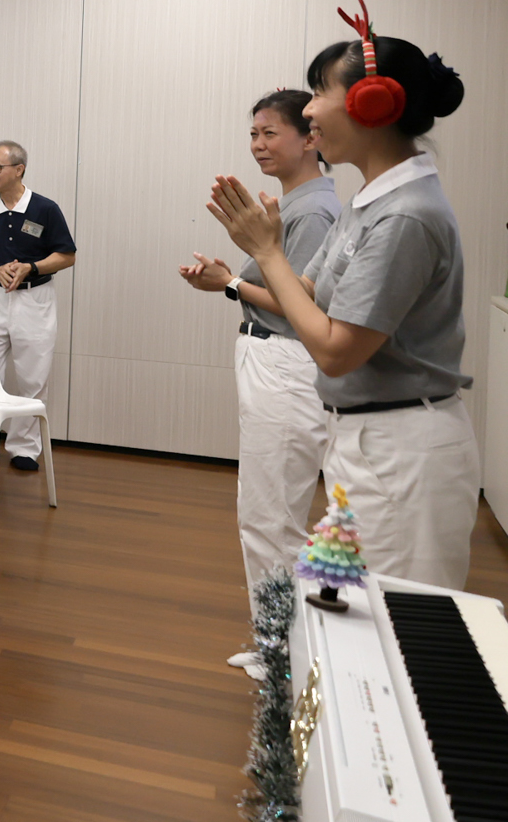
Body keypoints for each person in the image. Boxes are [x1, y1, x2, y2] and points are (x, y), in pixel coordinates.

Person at [207, 5, 475, 589]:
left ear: (372, 105)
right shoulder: (367, 201)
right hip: (364, 438)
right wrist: (262, 251)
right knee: (358, 611)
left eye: (319, 93)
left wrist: (266, 254)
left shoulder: (405, 215)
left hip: (402, 447)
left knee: (401, 618)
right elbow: (308, 292)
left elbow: (333, 351)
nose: (308, 110)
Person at [177, 91, 340, 671]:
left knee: (271, 516)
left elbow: (303, 304)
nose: (258, 145)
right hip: (274, 360)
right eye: (253, 134)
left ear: (310, 138)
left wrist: (229, 284)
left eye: (270, 133)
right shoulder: (297, 201)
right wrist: (231, 280)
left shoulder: (314, 210)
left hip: (288, 362)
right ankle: (280, 643)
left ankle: (283, 653)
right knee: (267, 513)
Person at [0, 142, 78, 473]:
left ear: (19, 169)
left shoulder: (45, 209)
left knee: (33, 377)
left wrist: (31, 267)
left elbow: (67, 255)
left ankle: (24, 447)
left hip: (34, 299)